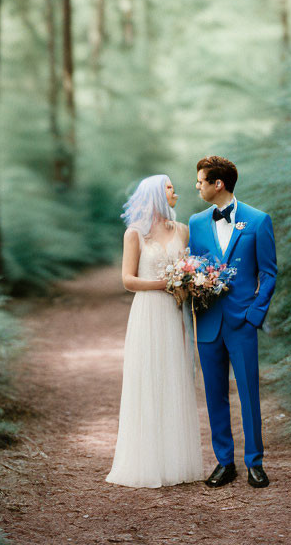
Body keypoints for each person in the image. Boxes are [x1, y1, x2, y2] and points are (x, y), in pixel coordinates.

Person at [106, 174, 204, 488]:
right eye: (170, 188)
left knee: (175, 377)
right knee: (148, 379)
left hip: (175, 313)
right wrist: (166, 284)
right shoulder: (135, 234)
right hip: (148, 311)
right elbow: (128, 280)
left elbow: (192, 268)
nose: (176, 191)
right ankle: (145, 462)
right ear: (157, 196)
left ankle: (176, 461)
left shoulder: (183, 231)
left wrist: (189, 285)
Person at [188, 156, 276, 489]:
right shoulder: (196, 223)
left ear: (217, 184)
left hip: (242, 322)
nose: (197, 186)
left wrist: (255, 315)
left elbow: (269, 273)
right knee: (214, 395)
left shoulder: (258, 220)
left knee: (249, 394)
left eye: (200, 181)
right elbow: (192, 267)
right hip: (208, 321)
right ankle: (225, 462)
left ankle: (255, 462)